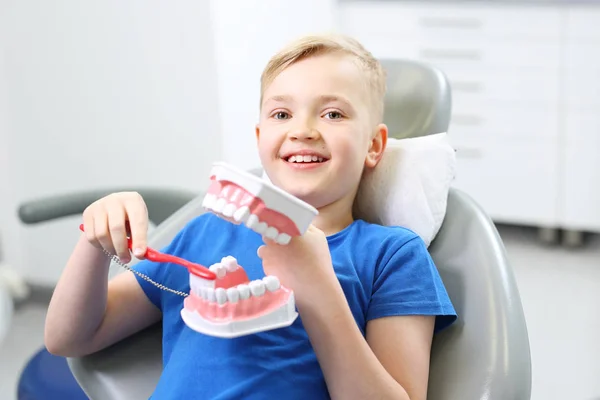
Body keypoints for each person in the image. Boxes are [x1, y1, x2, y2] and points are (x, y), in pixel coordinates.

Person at [45, 34, 457, 399]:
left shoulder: (392, 255)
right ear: (260, 139)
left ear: (373, 145)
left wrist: (318, 290)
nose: (303, 130)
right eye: (282, 114)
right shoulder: (207, 233)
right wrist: (94, 241)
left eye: (333, 114)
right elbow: (69, 337)